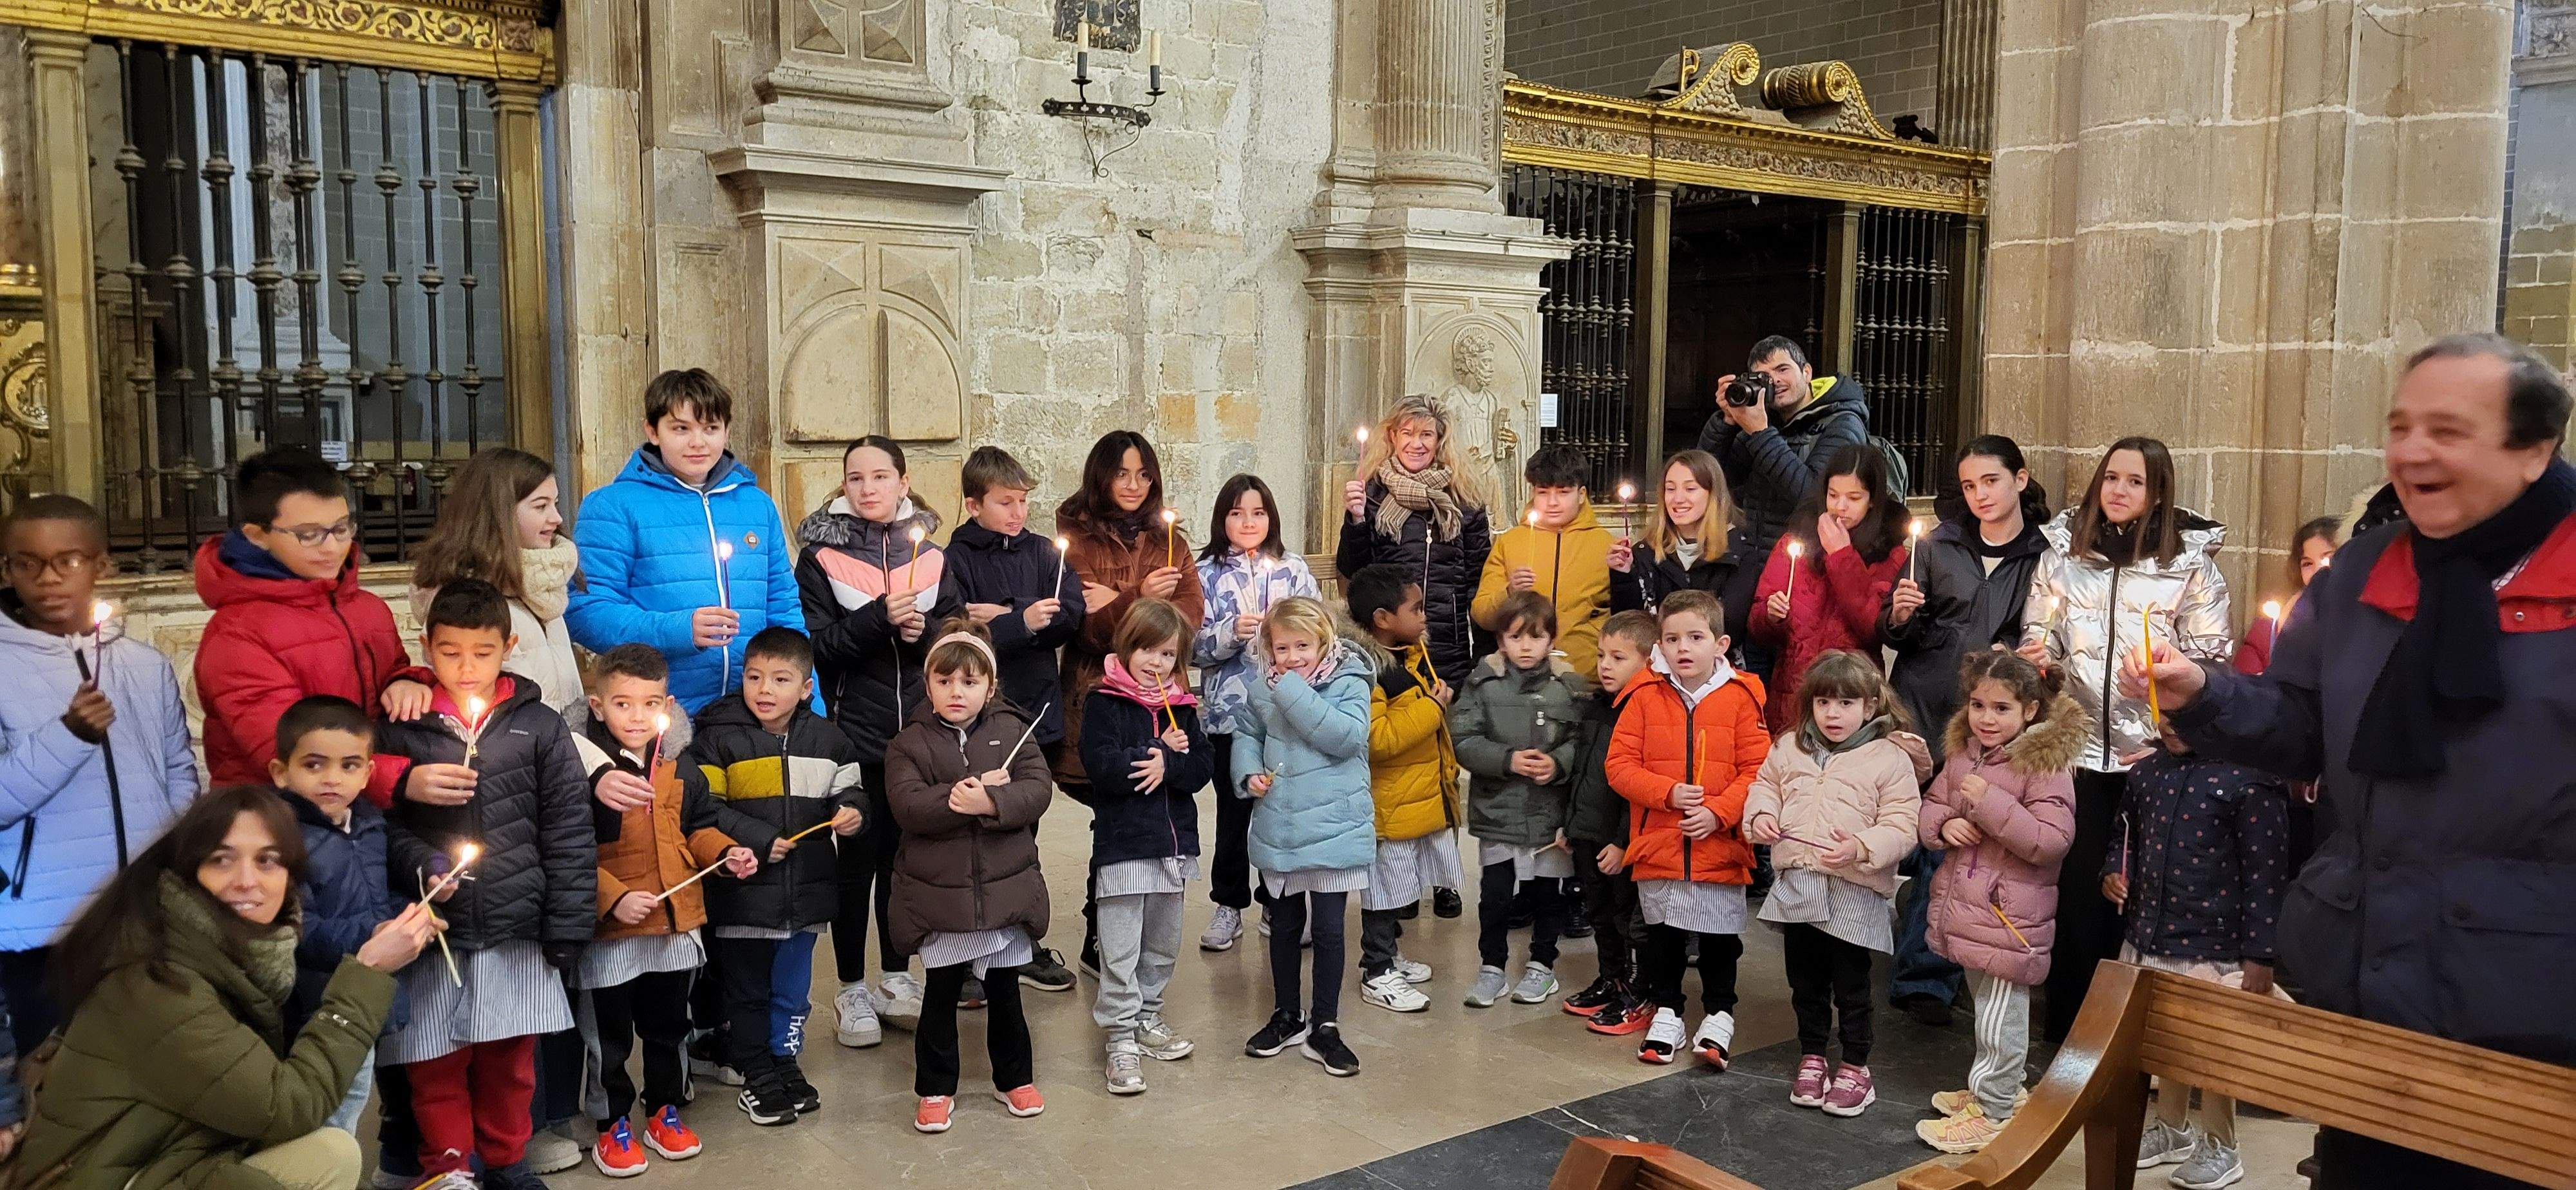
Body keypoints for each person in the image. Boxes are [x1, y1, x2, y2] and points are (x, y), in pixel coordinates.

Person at [2125, 331, 2576, 1190]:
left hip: (2532, 1004)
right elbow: (2301, 725)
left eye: (2447, 430)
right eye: (2400, 426)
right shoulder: (2365, 571)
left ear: (2535, 448)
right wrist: (2204, 693)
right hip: (2371, 977)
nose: (2410, 451)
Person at [15, 785, 439, 1190]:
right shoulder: (159, 985)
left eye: (268, 860)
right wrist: (368, 971)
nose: (247, 880)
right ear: (187, 871)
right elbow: (287, 1106)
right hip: (107, 1176)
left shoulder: (221, 951)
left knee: (334, 1152)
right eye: (222, 859)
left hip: (163, 1156)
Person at [370, 580, 595, 1189]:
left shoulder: (539, 727)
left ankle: (506, 1163)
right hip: (435, 932)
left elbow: (570, 829)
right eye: (449, 653)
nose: (466, 668)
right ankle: (448, 1170)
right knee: (434, 1059)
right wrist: (425, 867)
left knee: (509, 1061)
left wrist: (569, 928)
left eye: (482, 652)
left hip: (515, 927)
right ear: (427, 647)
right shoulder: (403, 728)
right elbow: (380, 826)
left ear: (509, 647)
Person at [2016, 435, 2230, 1043]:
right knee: (2081, 897)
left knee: (2137, 895)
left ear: (2157, 491)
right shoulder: (2063, 557)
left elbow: (2214, 661)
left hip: (2152, 754)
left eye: (2135, 482)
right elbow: (2044, 636)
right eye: (2112, 477)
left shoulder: (2191, 567)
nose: (2119, 490)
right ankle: (2068, 1038)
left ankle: (2133, 1038)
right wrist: (2040, 660)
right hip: (2079, 752)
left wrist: (2168, 685)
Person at [0, 495, 200, 1053]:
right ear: (7, 569)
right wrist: (69, 736)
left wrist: (165, 856)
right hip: (43, 924)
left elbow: (178, 773)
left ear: (101, 566)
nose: (48, 578)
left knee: (150, 1073)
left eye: (68, 561)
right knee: (59, 1085)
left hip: (140, 914)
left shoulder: (144, 664)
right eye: (28, 563)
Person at [794, 436, 970, 1034]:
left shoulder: (934, 556)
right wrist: (877, 619)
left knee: (904, 861)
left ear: (904, 480)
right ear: (843, 486)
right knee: (858, 864)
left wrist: (926, 634)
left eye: (879, 477)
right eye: (855, 478)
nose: (867, 489)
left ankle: (896, 975)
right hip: (855, 736)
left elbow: (956, 639)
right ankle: (849, 988)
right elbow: (816, 651)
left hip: (920, 736)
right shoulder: (820, 558)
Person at [1881, 435, 2051, 1028]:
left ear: (2020, 481)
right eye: (1971, 485)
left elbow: (2041, 633)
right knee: (1929, 835)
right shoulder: (1940, 544)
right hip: (1926, 700)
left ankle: (1942, 966)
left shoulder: (2041, 555)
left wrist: (2028, 653)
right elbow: (1900, 632)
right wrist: (1899, 615)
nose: (1980, 495)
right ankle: (1921, 967)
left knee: (1968, 841)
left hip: (1988, 718)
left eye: (1992, 482)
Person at [570, 645, 757, 1176]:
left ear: (668, 707)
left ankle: (664, 1111)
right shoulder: (585, 775)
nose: (636, 716)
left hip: (674, 929)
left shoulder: (679, 768)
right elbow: (568, 850)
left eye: (649, 703)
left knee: (669, 1027)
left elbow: (696, 829)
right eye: (623, 704)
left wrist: (724, 853)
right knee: (607, 1038)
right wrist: (613, 897)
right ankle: (611, 1125)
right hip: (611, 935)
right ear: (597, 706)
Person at [685, 627, 864, 1127]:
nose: (765, 690)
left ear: (807, 688)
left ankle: (784, 1060)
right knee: (747, 992)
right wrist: (761, 840)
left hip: (806, 896)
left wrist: (851, 812)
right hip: (743, 897)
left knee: (791, 990)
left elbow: (851, 792)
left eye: (781, 679)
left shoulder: (830, 741)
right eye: (754, 677)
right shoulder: (718, 739)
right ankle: (754, 1070)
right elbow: (707, 809)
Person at [2101, 726, 2291, 1190]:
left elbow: (2268, 875)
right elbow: (2122, 837)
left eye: (2184, 714)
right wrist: (2113, 872)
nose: (2169, 724)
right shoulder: (2145, 773)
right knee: (2163, 1039)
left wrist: (2260, 956)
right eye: (2162, 712)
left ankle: (2222, 1146)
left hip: (2216, 947)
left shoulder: (2250, 781)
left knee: (2214, 1050)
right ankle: (2171, 1129)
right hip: (2148, 935)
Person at [883, 623, 1054, 1133]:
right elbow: (908, 804)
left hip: (1003, 892)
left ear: (991, 686)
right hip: (941, 899)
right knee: (939, 997)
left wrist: (994, 802)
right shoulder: (909, 742)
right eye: (945, 681)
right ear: (928, 684)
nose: (957, 692)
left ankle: (1014, 1078)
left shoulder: (1013, 730)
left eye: (970, 682)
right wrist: (962, 796)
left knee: (1005, 994)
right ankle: (936, 1087)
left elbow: (1037, 788)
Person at [1913, 650, 2083, 1156]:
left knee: (2000, 1017)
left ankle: (1996, 1109)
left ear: (2030, 711)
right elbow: (1933, 804)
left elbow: (2051, 840)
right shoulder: (1965, 752)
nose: (1986, 718)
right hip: (1971, 911)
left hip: (2010, 918)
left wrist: (1988, 803)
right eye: (1978, 705)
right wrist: (1944, 825)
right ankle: (1994, 1087)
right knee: (1987, 1013)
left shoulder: (2044, 765)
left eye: (2002, 708)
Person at [1743, 651, 1924, 1119]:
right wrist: (1761, 816)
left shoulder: (1889, 757)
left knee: (1851, 984)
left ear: (1870, 706)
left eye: (1846, 703)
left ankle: (1857, 1067)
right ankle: (1813, 1055)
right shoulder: (1790, 747)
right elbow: (1765, 787)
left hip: (1852, 890)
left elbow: (1903, 824)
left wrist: (1862, 847)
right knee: (1804, 981)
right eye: (1823, 703)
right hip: (1799, 883)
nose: (1833, 714)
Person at [567, 368, 806, 714]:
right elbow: (586, 612)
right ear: (653, 431)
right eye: (681, 429)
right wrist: (679, 630)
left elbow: (784, 608)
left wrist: (805, 700)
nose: (698, 442)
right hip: (660, 713)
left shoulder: (756, 505)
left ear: (726, 431)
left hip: (753, 714)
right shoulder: (612, 506)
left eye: (711, 428)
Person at [1056, 431, 1208, 970]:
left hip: (1162, 700)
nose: (1134, 485)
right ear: (1101, 475)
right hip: (1098, 698)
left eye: (1144, 474)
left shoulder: (1171, 541)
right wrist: (1141, 597)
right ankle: (1104, 934)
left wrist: (1120, 603)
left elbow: (1189, 615)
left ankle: (1134, 934)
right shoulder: (1074, 538)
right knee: (1113, 811)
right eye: (1122, 473)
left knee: (1150, 811)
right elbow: (1085, 627)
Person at [1606, 590, 1770, 1068]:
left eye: (1695, 637)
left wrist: (1720, 811)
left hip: (1718, 844)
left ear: (1719, 643)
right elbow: (1618, 765)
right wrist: (1668, 793)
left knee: (1720, 939)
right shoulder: (1643, 696)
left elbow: (1758, 770)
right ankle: (1669, 1011)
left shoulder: (1742, 698)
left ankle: (1720, 1012)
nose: (1684, 648)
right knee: (1664, 939)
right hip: (1660, 842)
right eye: (1673, 638)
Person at [942, 447, 1083, 999]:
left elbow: (1068, 612)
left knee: (1024, 835)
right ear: (974, 504)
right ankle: (970, 952)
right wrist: (1019, 622)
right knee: (975, 838)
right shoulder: (954, 556)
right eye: (1006, 502)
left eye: (1024, 501)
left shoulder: (1046, 552)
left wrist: (1007, 614)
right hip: (978, 717)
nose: (1019, 512)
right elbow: (956, 629)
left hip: (1036, 711)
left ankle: (1020, 941)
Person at [194, 446, 419, 788]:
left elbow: (391, 676)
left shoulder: (368, 609)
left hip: (361, 811)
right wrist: (400, 782)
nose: (331, 547)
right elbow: (288, 751)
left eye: (341, 528)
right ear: (258, 536)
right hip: (277, 818)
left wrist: (407, 683)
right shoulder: (236, 634)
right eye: (309, 535)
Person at [1232, 596, 1376, 1077]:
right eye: (1281, 648)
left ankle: (1326, 1024)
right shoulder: (1261, 688)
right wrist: (1248, 771)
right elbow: (1247, 734)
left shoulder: (1350, 682)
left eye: (1302, 646)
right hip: (1283, 824)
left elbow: (1346, 738)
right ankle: (1287, 1015)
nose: (1291, 658)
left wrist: (1291, 690)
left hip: (1334, 827)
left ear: (1324, 642)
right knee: (1284, 926)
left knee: (1331, 930)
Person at [1078, 600, 1213, 1095]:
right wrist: (1155, 755)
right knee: (1119, 948)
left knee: (1162, 944)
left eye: (1167, 655)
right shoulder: (1104, 701)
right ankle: (1118, 1037)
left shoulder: (1182, 706)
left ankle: (1147, 1017)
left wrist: (1172, 766)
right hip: (1124, 849)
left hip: (1173, 849)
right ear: (1127, 648)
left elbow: (1201, 768)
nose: (1155, 663)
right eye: (1146, 651)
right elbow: (1104, 768)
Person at [1191, 473, 1319, 952]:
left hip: (1283, 713)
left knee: (1279, 808)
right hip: (1229, 714)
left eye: (1258, 512)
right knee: (1233, 811)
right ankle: (1228, 903)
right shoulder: (1203, 573)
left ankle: (1276, 899)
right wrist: (1229, 633)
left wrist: (1283, 640)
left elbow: (1320, 637)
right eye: (1237, 513)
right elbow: (1189, 649)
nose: (1248, 522)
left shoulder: (1294, 570)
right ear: (1222, 518)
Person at [269, 697, 398, 1137]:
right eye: (314, 765)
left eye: (348, 766)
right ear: (281, 772)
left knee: (355, 1097)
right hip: (314, 1003)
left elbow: (377, 898)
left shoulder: (369, 825)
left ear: (368, 773)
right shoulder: (281, 837)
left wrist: (410, 917)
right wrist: (375, 934)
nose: (331, 779)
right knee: (327, 1109)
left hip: (360, 995)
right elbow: (296, 927)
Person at [1450, 590, 1586, 1009]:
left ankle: (1542, 966)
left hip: (1550, 816)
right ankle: (1492, 967)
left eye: (1536, 637)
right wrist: (1508, 760)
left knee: (1550, 896)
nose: (1525, 647)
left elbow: (1583, 740)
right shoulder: (1482, 683)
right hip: (1498, 810)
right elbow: (1463, 739)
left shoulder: (1569, 686)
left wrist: (1558, 763)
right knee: (1494, 897)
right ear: (1500, 640)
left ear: (1551, 639)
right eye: (1514, 637)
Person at [1349, 564, 1461, 1015]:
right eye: (1415, 608)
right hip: (1389, 805)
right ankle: (1376, 972)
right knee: (1384, 892)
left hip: (1414, 797)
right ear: (1383, 619)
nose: (1424, 616)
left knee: (1402, 887)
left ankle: (1390, 955)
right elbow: (1378, 740)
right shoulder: (1371, 671)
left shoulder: (1408, 656)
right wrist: (1433, 709)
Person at [410, 448, 587, 722]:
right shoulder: (466, 601)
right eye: (541, 506)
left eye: (556, 503)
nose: (557, 518)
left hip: (565, 752)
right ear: (498, 514)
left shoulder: (541, 588)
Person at [1338, 392, 1497, 694]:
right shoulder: (1372, 495)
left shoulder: (1464, 501)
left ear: (1440, 441)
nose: (1417, 444)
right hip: (1389, 644)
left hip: (1448, 645)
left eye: (1426, 435)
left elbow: (1479, 580)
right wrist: (1356, 521)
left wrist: (1483, 655)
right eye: (1407, 433)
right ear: (1393, 437)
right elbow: (1355, 571)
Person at [1750, 443, 1911, 737]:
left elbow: (1872, 627)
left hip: (1851, 697)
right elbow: (1759, 625)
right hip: (1794, 694)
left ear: (1873, 500)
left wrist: (1841, 556)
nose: (1840, 507)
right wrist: (1771, 615)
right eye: (1833, 495)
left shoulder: (1891, 551)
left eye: (1854, 498)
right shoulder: (1795, 541)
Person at [1695, 335, 1872, 562]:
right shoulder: (1764, 421)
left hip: (1805, 565)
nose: (1774, 381)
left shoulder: (1843, 423)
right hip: (1754, 561)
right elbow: (1709, 477)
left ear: (1807, 372)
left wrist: (1761, 433)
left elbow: (1814, 498)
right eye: (1764, 377)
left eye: (1782, 370)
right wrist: (1726, 421)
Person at [1564, 610, 1658, 1035]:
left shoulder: (1644, 711)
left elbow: (1635, 790)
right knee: (1599, 914)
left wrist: (1624, 842)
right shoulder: (1599, 706)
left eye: (1618, 657)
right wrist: (1570, 824)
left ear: (1648, 660)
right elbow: (1584, 772)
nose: (1605, 665)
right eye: (1602, 655)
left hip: (1620, 842)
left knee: (1627, 918)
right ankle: (1612, 979)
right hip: (1588, 832)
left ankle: (1640, 992)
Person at [1474, 444, 1615, 685]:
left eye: (1563, 492)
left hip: (1586, 681)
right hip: (1519, 684)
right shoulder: (1511, 542)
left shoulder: (1606, 546)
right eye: (1543, 492)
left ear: (1581, 495)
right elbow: (1481, 614)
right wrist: (1508, 592)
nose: (1552, 502)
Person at [1609, 449, 1760, 648]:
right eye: (1670, 489)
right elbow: (1629, 626)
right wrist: (1623, 576)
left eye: (1690, 489)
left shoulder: (1740, 553)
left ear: (1713, 494)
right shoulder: (1646, 552)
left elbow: (1730, 625)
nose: (1677, 499)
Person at [2230, 515, 2338, 677]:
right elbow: (2242, 681)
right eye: (2307, 564)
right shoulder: (2272, 624)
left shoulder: (2364, 623)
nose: (2318, 572)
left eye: (2328, 559)